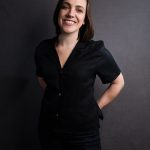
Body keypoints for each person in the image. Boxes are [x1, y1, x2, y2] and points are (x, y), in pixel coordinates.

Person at [34, 0, 125, 149]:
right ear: (58, 12)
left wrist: (96, 107)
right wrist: (59, 96)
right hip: (49, 131)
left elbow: (118, 82)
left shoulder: (95, 51)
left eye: (79, 10)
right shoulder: (42, 49)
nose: (71, 13)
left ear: (84, 20)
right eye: (65, 7)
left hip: (84, 136)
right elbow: (41, 78)